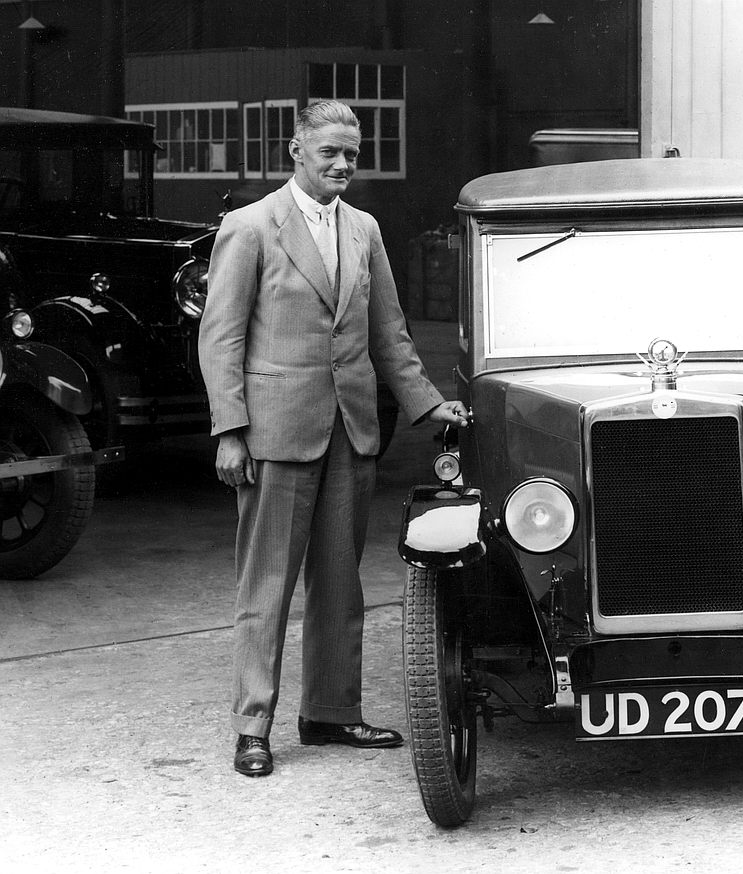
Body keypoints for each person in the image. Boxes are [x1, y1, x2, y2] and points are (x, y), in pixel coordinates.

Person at [198, 99, 469, 778]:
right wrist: (230, 431)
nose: (344, 164)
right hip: (275, 435)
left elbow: (390, 334)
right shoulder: (250, 227)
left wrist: (430, 405)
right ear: (295, 151)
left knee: (340, 585)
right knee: (266, 587)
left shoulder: (366, 230)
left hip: (351, 432)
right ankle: (251, 727)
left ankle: (330, 713)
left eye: (352, 153)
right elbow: (221, 336)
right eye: (329, 152)